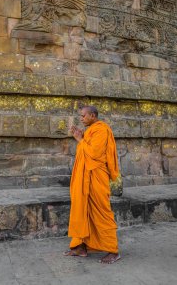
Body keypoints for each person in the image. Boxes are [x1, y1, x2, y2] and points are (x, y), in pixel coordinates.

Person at [64, 105, 121, 264]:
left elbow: (94, 153)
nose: (81, 119)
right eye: (80, 116)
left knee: (102, 212)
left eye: (83, 116)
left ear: (93, 115)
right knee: (82, 209)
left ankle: (113, 251)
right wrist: (81, 136)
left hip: (96, 177)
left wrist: (80, 140)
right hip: (86, 178)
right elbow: (86, 148)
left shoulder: (101, 129)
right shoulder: (90, 130)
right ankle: (80, 246)